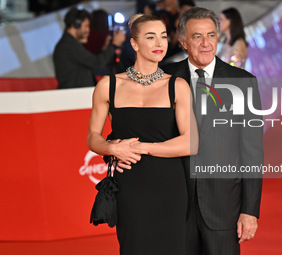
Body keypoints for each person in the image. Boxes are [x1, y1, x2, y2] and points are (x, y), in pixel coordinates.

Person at [87, 14, 198, 255]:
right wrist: (112, 148)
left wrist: (142, 147)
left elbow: (191, 142)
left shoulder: (177, 86)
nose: (159, 43)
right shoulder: (109, 86)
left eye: (163, 37)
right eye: (151, 37)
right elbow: (93, 137)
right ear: (135, 44)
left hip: (170, 185)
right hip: (130, 186)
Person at [163, 7, 263, 255]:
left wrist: (250, 210)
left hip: (223, 208)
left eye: (211, 35)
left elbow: (252, 152)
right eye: (197, 36)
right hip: (173, 209)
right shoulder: (163, 80)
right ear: (183, 42)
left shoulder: (243, 82)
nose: (206, 43)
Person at [53, 7, 126, 89]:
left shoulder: (68, 43)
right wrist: (114, 45)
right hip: (74, 95)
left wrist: (104, 49)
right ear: (76, 24)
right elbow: (96, 63)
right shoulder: (68, 44)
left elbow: (90, 62)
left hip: (75, 94)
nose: (88, 30)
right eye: (86, 26)